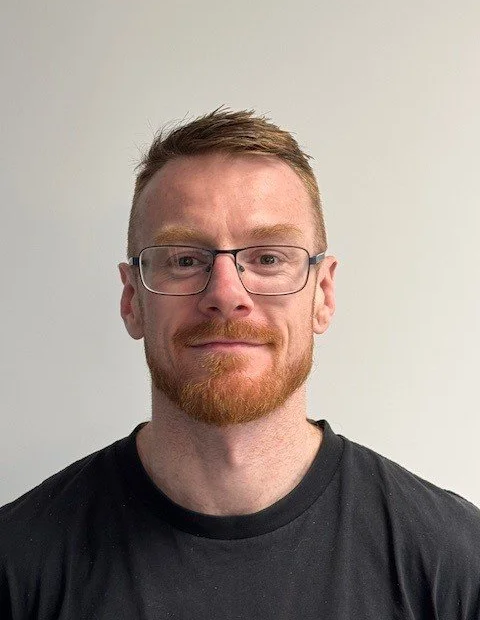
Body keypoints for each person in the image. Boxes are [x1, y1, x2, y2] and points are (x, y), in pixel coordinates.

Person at [1, 108, 479, 619]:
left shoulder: (455, 563)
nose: (226, 295)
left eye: (268, 258)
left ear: (323, 293)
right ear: (132, 299)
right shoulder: (17, 564)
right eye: (185, 260)